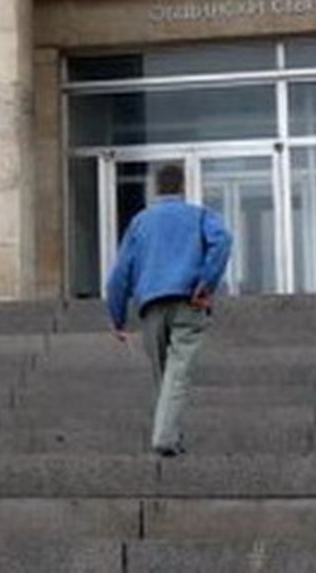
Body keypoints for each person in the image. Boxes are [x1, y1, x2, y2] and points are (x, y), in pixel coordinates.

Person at [105, 163, 232, 457]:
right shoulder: (199, 215)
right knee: (177, 373)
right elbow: (223, 240)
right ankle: (166, 436)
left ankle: (170, 436)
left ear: (156, 188)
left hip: (151, 305)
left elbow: (119, 274)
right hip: (188, 300)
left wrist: (117, 316)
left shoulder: (141, 222)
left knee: (164, 374)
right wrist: (206, 282)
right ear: (183, 186)